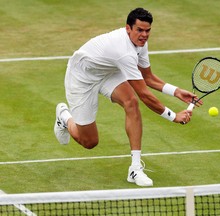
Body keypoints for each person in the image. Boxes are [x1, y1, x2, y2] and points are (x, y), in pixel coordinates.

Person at [54, 7, 202, 187]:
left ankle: (135, 168)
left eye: (147, 31)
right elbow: (145, 95)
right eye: (139, 30)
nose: (144, 35)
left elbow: (148, 77)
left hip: (108, 71)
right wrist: (173, 117)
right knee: (89, 142)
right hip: (82, 77)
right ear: (128, 28)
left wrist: (176, 91)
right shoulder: (124, 52)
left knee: (131, 102)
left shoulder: (141, 44)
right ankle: (64, 117)